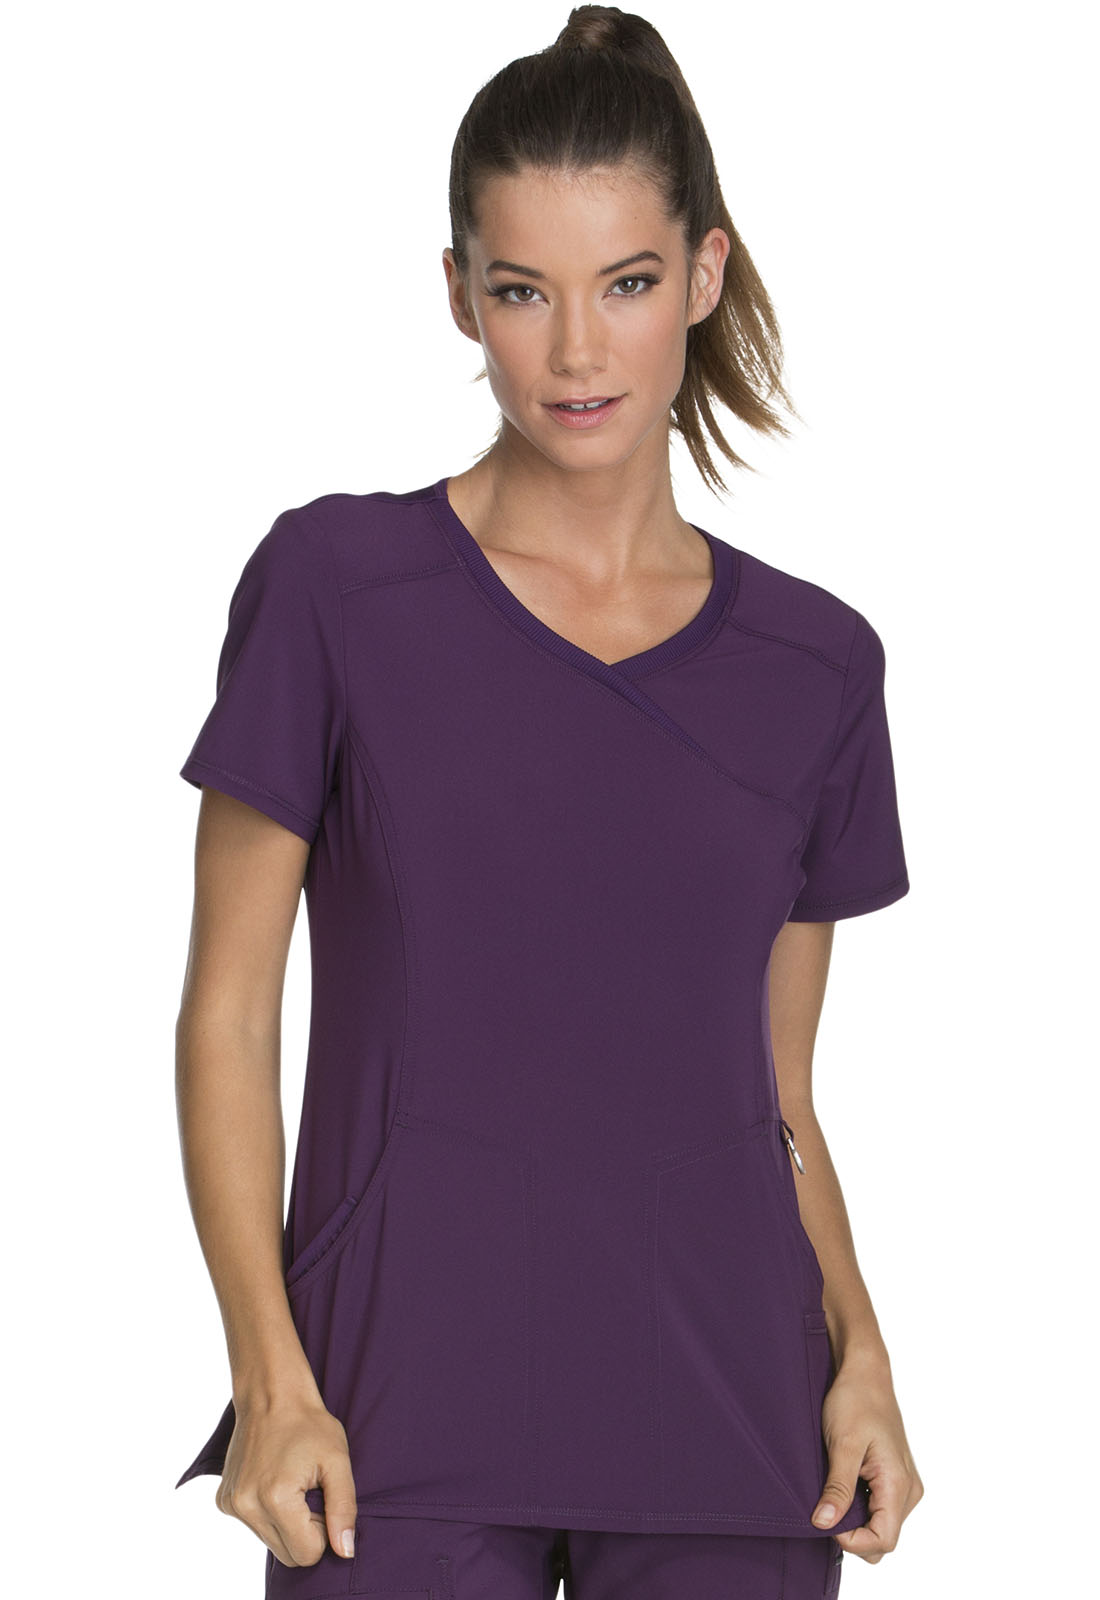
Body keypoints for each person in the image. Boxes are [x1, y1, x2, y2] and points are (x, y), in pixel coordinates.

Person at [173, 6, 924, 1597]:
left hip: (737, 1431)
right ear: (460, 294)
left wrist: (860, 1349)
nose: (578, 352)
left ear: (703, 277)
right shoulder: (336, 590)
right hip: (384, 1432)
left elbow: (780, 1102)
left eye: (627, 285)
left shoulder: (816, 665)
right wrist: (271, 1380)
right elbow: (229, 1017)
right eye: (523, 291)